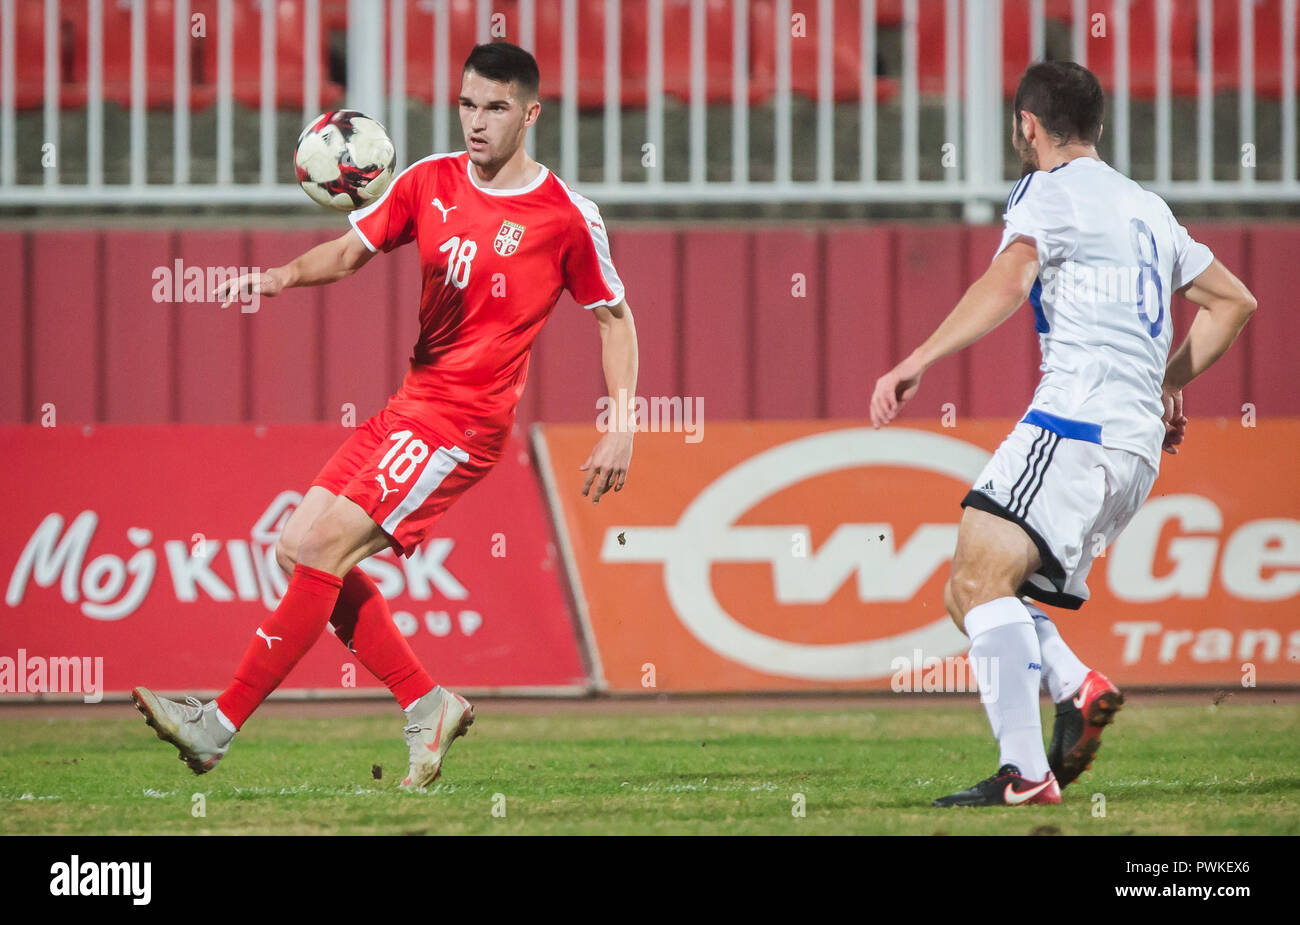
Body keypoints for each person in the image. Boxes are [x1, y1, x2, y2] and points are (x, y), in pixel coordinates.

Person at [132, 42, 639, 790]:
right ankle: (426, 702)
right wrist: (277, 277)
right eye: (467, 103)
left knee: (321, 550)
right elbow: (347, 254)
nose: (476, 121)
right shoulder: (428, 180)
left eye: (495, 108)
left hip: (463, 425)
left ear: (530, 114)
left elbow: (614, 318)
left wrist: (622, 423)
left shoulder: (566, 216)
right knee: (296, 548)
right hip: (410, 406)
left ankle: (217, 724)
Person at [870, 60, 1257, 807]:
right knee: (982, 588)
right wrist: (1168, 382)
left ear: (1028, 126)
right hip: (1134, 445)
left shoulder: (1047, 191)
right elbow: (1234, 301)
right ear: (1100, 127)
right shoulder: (1146, 207)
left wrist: (919, 357)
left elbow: (1010, 280)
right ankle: (1064, 705)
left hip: (1076, 419)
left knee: (975, 579)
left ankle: (1033, 758)